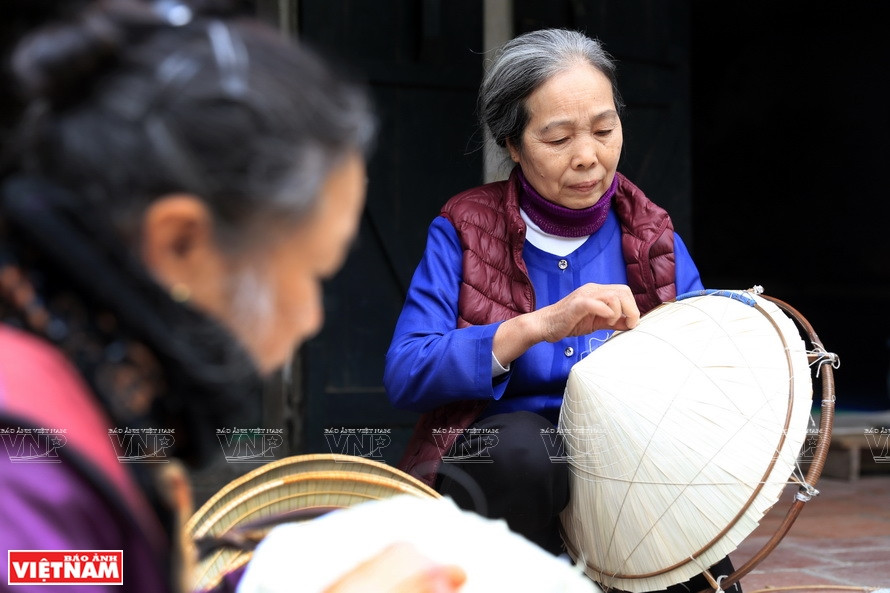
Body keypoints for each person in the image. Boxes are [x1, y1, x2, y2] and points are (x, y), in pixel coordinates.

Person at [0, 2, 466, 592]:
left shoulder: (97, 404)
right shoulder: (22, 478)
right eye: (313, 272)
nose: (314, 317)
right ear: (180, 243)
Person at [384, 28, 742, 592]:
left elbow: (700, 374)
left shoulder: (649, 233)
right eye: (558, 139)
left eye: (604, 130)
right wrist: (536, 327)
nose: (588, 158)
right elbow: (407, 372)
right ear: (512, 142)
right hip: (508, 479)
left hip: (623, 468)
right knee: (524, 450)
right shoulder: (463, 228)